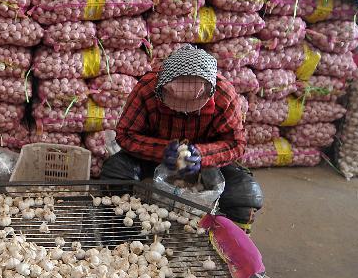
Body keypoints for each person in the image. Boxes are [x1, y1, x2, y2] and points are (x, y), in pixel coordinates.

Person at [101, 44, 263, 232]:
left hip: (205, 163)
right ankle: (117, 232)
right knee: (116, 171)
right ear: (162, 87)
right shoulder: (147, 88)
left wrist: (201, 155)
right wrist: (163, 150)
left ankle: (225, 243)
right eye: (175, 104)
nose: (183, 111)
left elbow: (236, 144)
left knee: (246, 194)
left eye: (191, 105)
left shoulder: (224, 94)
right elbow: (125, 134)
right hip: (154, 158)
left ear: (208, 91)